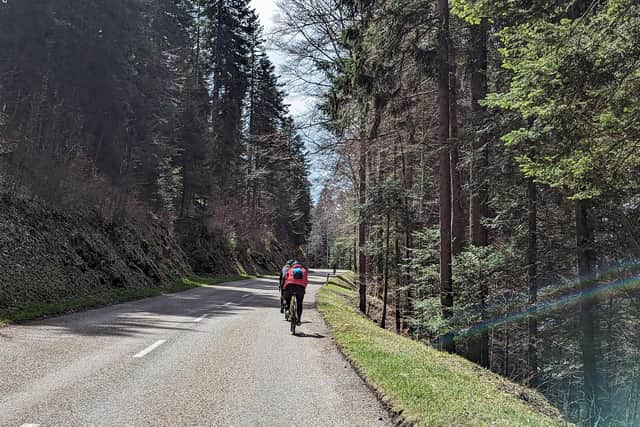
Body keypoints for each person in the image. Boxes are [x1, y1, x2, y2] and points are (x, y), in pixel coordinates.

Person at [282, 260, 308, 325]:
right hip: (300, 288)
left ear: (292, 265)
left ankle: (287, 309)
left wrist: (285, 288)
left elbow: (286, 280)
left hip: (290, 286)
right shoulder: (304, 270)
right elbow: (306, 281)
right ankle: (299, 319)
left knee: (287, 298)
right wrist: (303, 288)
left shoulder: (290, 270)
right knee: (299, 303)